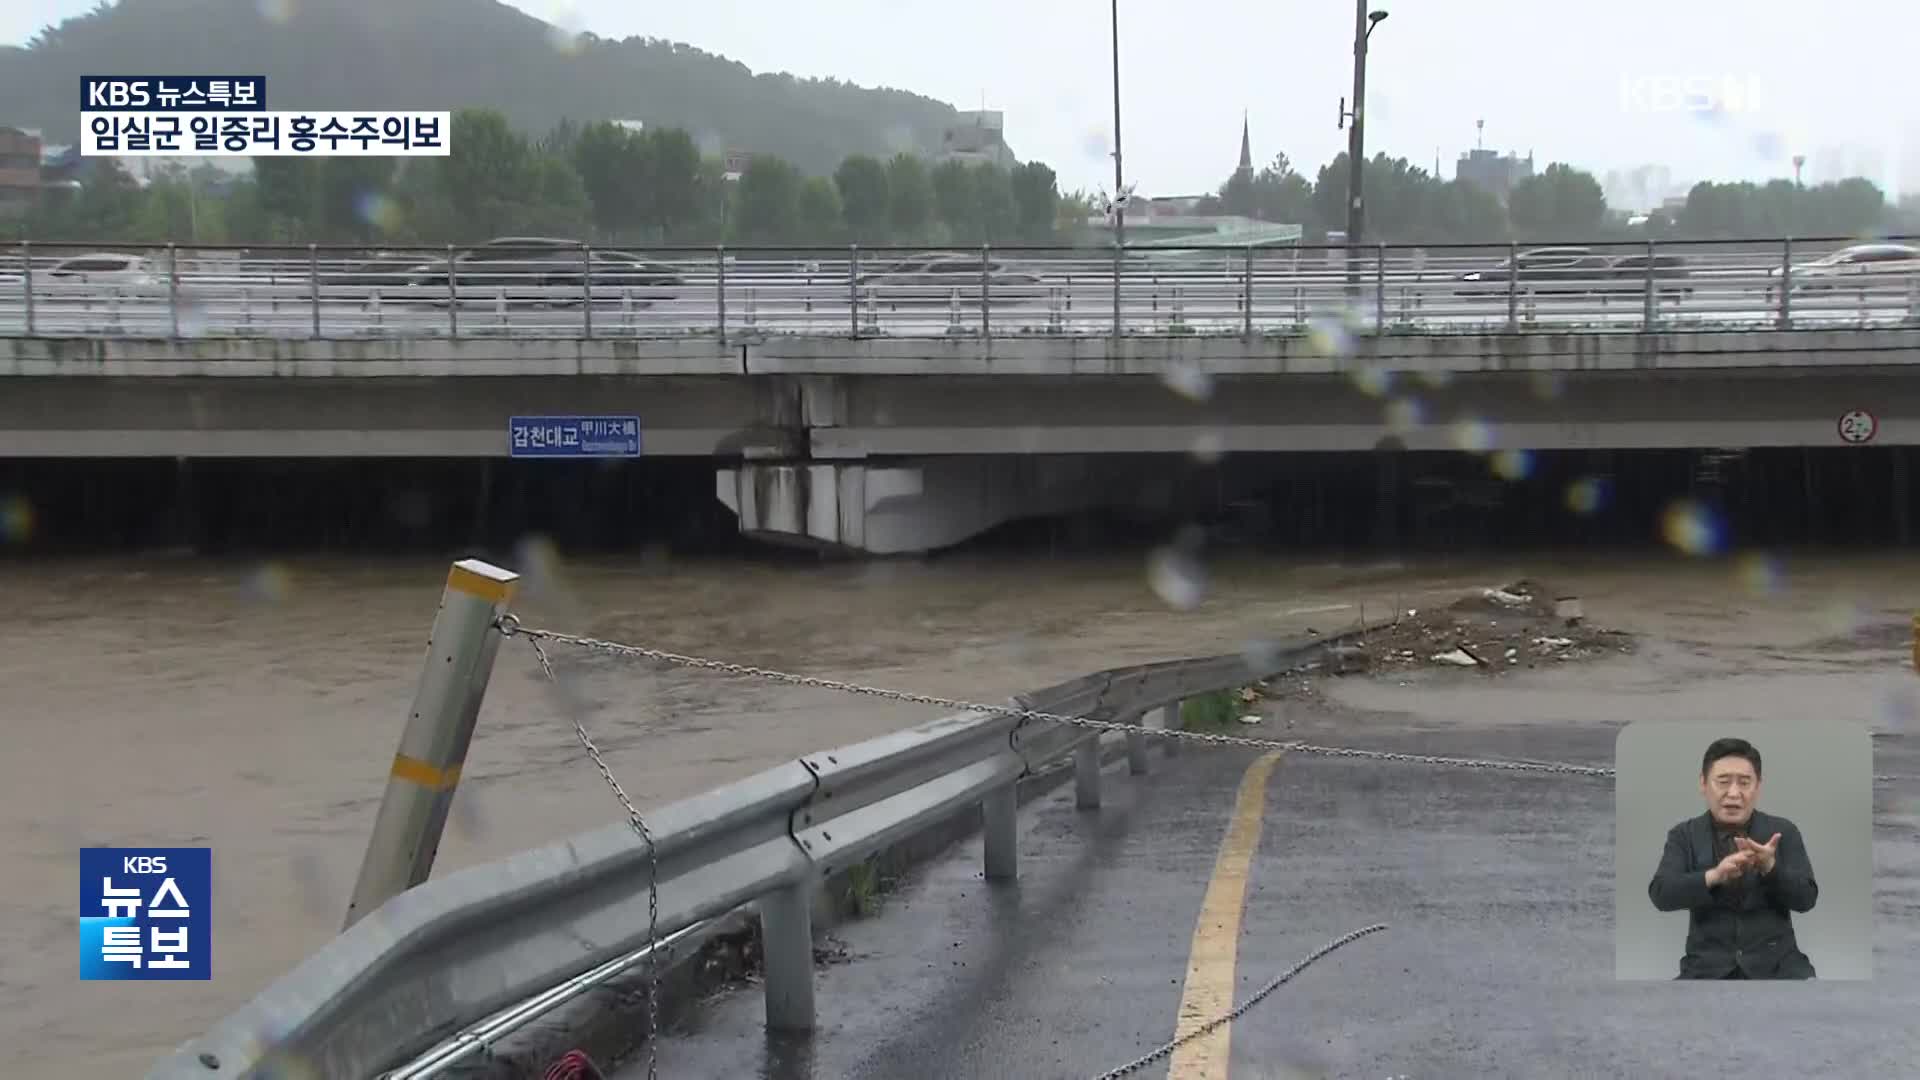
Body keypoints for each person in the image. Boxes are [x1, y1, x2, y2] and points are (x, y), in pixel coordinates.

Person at [1647, 736, 1818, 979]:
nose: (1734, 793)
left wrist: (1770, 868)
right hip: (1705, 970)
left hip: (1779, 969)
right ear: (1703, 784)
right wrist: (1714, 876)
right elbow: (1661, 895)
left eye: (1745, 783)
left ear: (1758, 786)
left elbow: (1807, 899)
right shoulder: (1683, 835)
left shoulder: (1783, 831)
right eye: (1723, 782)